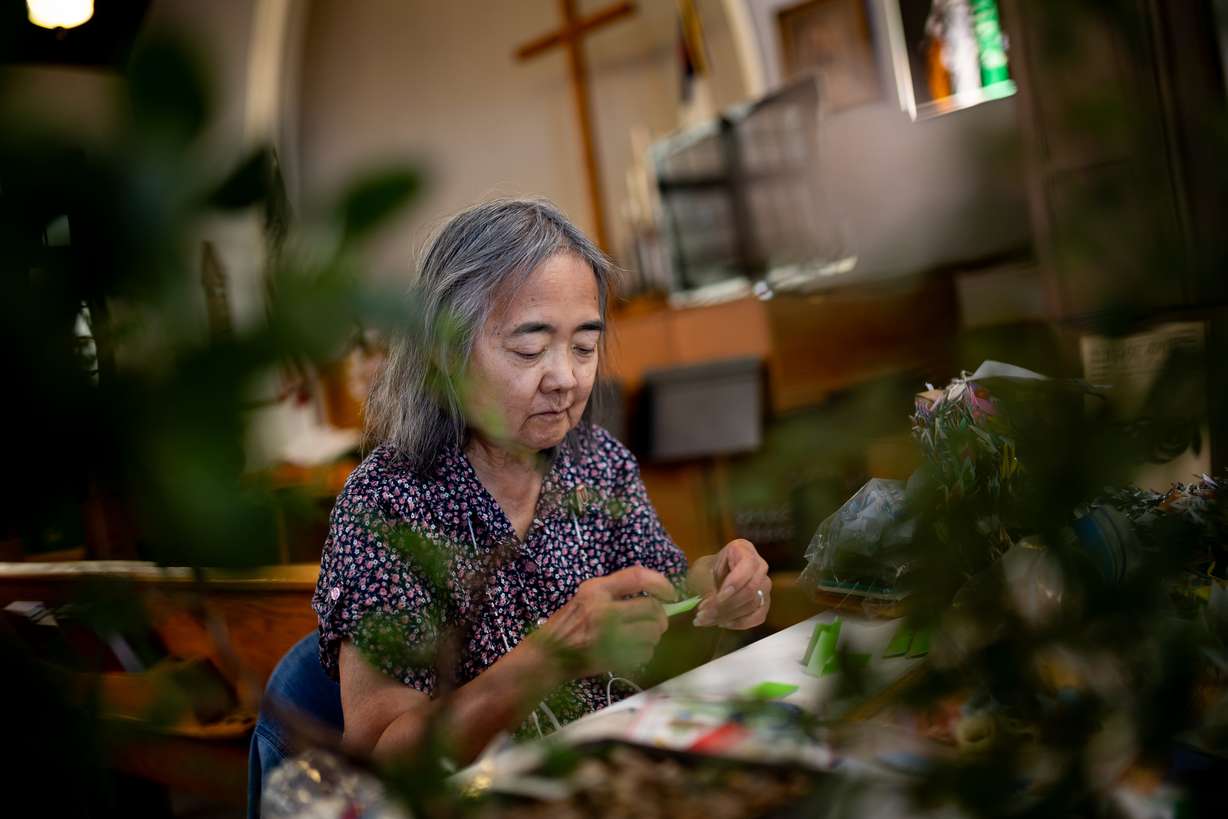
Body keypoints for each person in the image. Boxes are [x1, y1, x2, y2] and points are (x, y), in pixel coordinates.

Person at [312, 198, 771, 764]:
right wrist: (548, 656)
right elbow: (380, 755)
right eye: (529, 348)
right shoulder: (388, 506)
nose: (567, 379)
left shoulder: (596, 462)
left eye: (584, 346)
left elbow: (662, 605)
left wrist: (716, 590)